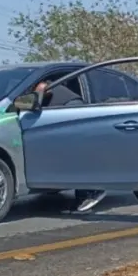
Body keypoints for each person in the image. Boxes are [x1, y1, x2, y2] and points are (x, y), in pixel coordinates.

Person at [34, 81, 107, 212]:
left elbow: (42, 88)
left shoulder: (50, 88)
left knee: (75, 152)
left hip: (71, 108)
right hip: (62, 111)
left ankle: (91, 191)